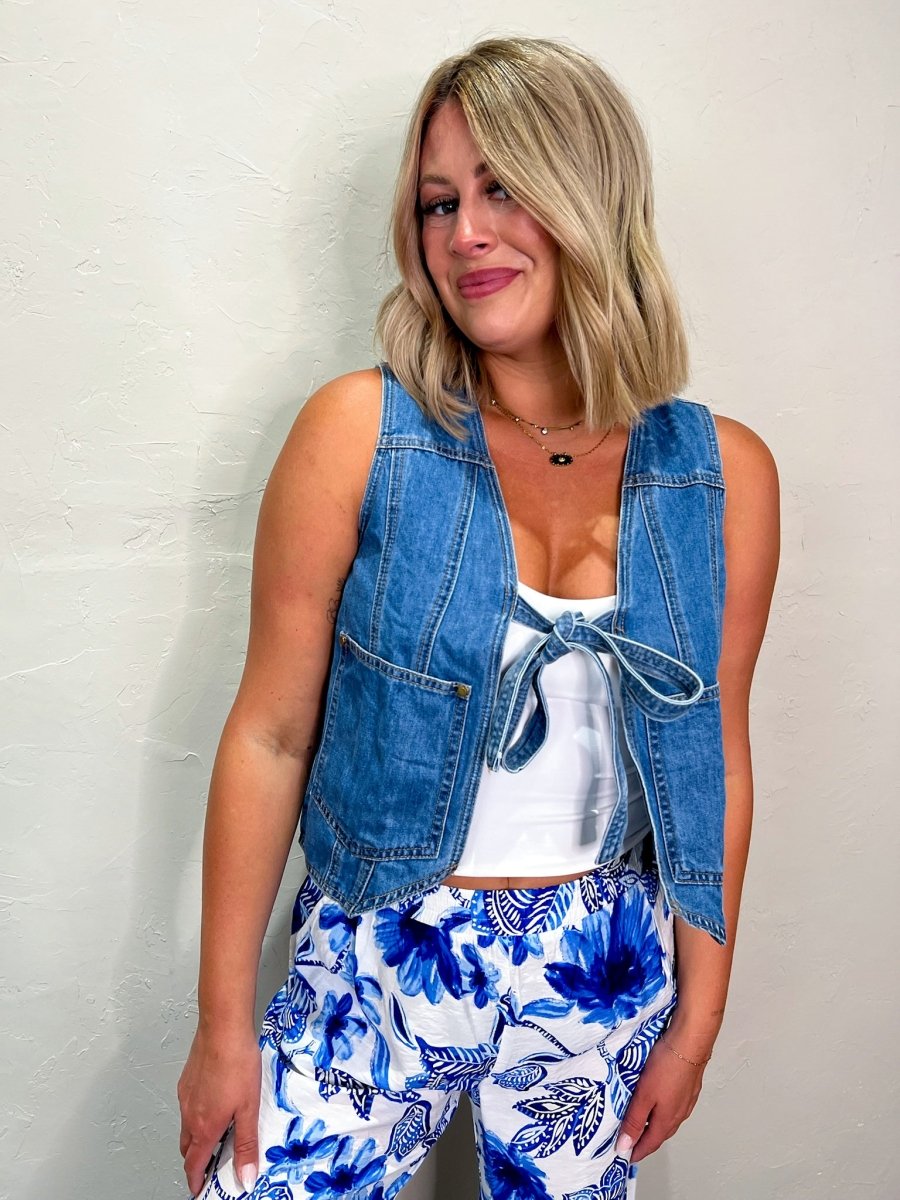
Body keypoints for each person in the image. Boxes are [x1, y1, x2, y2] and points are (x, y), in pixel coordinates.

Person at [177, 35, 780, 1200]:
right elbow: (271, 736)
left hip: (602, 972)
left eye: (504, 188)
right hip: (374, 950)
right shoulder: (359, 433)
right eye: (439, 201)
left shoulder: (722, 476)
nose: (465, 234)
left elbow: (719, 758)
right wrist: (222, 1028)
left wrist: (699, 1019)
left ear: (587, 196)